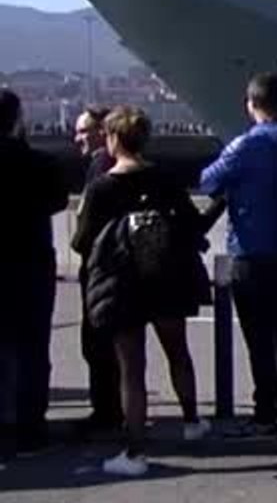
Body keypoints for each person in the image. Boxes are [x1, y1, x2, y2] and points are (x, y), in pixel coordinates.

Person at [72, 106, 212, 476]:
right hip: (166, 278)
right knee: (178, 353)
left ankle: (135, 452)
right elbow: (193, 224)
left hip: (123, 285)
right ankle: (192, 421)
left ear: (113, 139)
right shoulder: (165, 178)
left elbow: (81, 240)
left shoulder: (103, 187)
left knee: (132, 369)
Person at [199, 73, 277, 437]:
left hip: (249, 248)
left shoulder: (246, 146)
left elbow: (208, 180)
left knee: (257, 336)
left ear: (251, 103)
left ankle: (265, 411)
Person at [0, 91, 69, 460]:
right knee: (32, 348)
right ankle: (30, 427)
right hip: (30, 262)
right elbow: (58, 201)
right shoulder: (40, 163)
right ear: (17, 119)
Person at [72, 107, 124, 436]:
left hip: (99, 266)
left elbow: (86, 221)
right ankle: (116, 408)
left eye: (84, 130)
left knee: (97, 342)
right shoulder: (114, 165)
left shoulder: (100, 165)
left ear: (103, 132)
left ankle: (106, 412)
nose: (77, 137)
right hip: (119, 266)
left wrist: (80, 245)